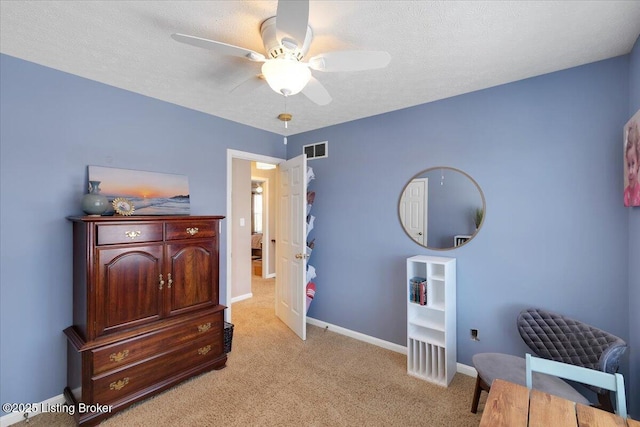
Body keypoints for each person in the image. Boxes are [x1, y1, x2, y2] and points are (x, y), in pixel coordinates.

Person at [624, 121, 640, 207]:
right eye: (628, 165)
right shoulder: (625, 196)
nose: (630, 171)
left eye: (633, 164)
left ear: (638, 163)